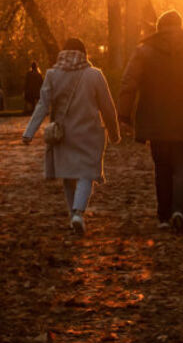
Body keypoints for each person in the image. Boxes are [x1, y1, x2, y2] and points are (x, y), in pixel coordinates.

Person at [117, 10, 183, 233]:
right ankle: (179, 211)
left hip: (156, 122)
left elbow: (129, 82)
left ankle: (163, 216)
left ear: (159, 28)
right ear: (180, 27)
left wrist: (123, 112)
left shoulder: (143, 53)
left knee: (161, 168)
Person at [22, 38, 121, 235]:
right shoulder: (95, 75)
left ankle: (72, 214)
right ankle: (78, 213)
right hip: (90, 134)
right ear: (84, 54)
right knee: (86, 174)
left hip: (63, 135)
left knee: (68, 176)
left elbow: (42, 105)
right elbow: (107, 107)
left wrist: (29, 133)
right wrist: (114, 132)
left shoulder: (52, 75)